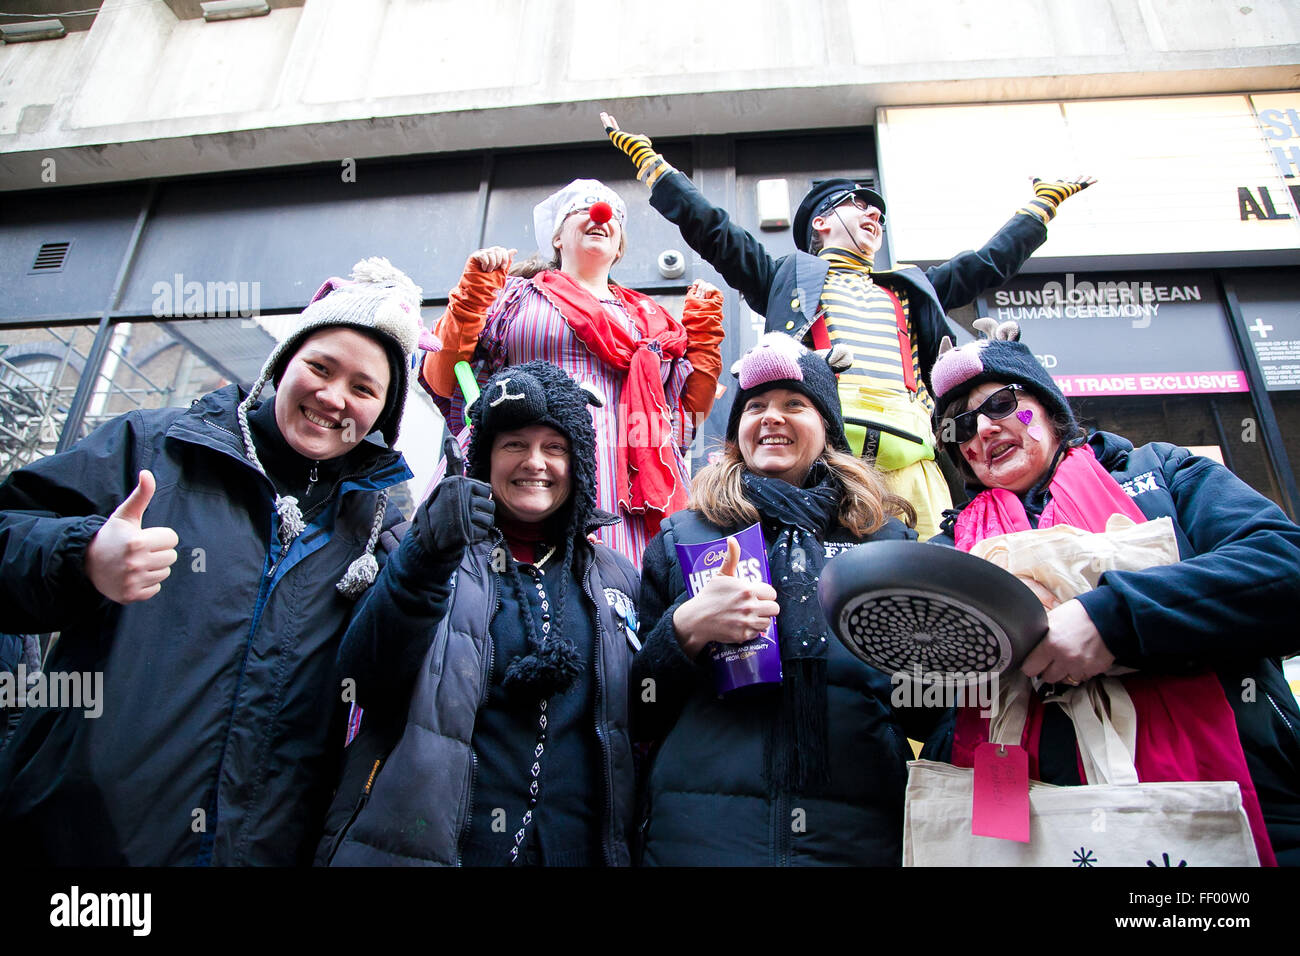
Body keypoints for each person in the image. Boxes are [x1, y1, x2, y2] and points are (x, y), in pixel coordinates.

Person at [0, 257, 423, 865]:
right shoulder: (157, 447)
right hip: (79, 847)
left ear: (383, 413)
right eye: (320, 367)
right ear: (283, 364)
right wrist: (84, 555)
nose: (333, 398)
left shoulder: (377, 528)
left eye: (363, 388)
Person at [603, 112, 1092, 540]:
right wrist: (654, 167)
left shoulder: (909, 286)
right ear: (821, 222)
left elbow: (986, 263)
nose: (874, 214)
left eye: (877, 211)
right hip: (829, 454)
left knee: (939, 574)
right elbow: (714, 230)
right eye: (859, 206)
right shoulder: (786, 276)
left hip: (916, 453)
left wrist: (1040, 207)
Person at [927, 323, 1300, 866]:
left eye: (1003, 403)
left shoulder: (1163, 474)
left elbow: (1284, 567)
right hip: (1023, 834)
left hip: (1240, 804)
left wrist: (1113, 618)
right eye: (961, 426)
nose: (983, 428)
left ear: (1049, 408)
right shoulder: (949, 550)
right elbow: (922, 700)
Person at [319, 361, 641, 866]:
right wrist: (424, 556)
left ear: (579, 464)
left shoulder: (617, 576)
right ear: (485, 457)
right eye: (514, 444)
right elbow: (363, 683)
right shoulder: (419, 547)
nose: (535, 462)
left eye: (554, 447)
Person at [633, 332, 934, 865]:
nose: (772, 417)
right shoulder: (682, 537)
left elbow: (923, 711)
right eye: (755, 407)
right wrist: (685, 630)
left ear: (827, 428)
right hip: (701, 836)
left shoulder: (885, 544)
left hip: (855, 835)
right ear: (737, 432)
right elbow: (640, 708)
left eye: (795, 404)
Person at [420, 178, 725, 566]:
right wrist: (472, 299)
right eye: (582, 208)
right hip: (525, 460)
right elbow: (444, 376)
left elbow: (682, 417)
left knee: (623, 595)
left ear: (618, 249)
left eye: (613, 214)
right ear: (557, 238)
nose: (600, 215)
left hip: (624, 478)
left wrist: (703, 339)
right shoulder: (513, 295)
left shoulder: (652, 319)